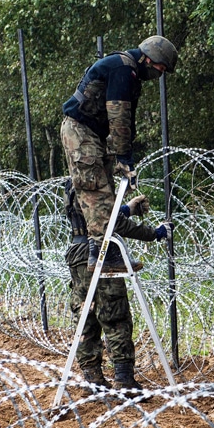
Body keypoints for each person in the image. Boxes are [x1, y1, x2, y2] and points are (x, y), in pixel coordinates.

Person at [61, 35, 178, 273]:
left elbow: (125, 123)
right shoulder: (123, 70)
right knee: (95, 190)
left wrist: (123, 157)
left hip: (93, 134)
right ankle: (104, 254)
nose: (159, 73)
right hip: (81, 132)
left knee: (105, 193)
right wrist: (124, 157)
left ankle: (103, 251)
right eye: (160, 67)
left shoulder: (128, 70)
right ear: (148, 58)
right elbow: (120, 117)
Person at [64, 178, 171, 393]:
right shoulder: (94, 180)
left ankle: (93, 380)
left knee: (87, 317)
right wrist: (155, 233)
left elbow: (96, 215)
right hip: (98, 252)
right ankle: (124, 381)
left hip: (77, 253)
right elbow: (111, 223)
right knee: (115, 315)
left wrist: (127, 209)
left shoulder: (75, 181)